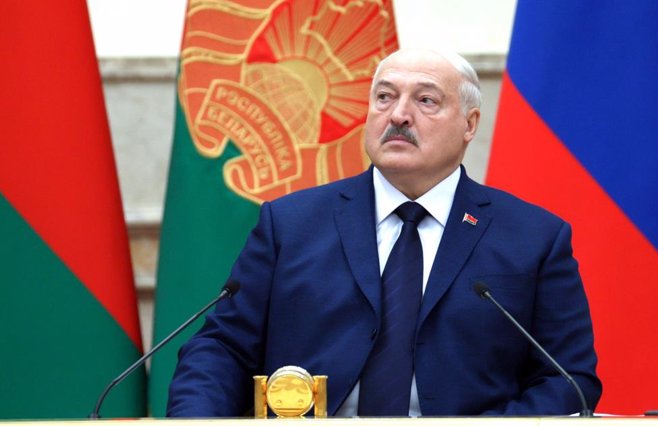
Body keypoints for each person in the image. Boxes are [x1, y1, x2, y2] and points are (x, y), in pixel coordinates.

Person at [166, 48, 602, 417]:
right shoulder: (290, 224)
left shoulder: (533, 238)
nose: (398, 115)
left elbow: (566, 378)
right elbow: (221, 348)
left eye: (426, 100)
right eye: (384, 97)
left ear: (469, 124)